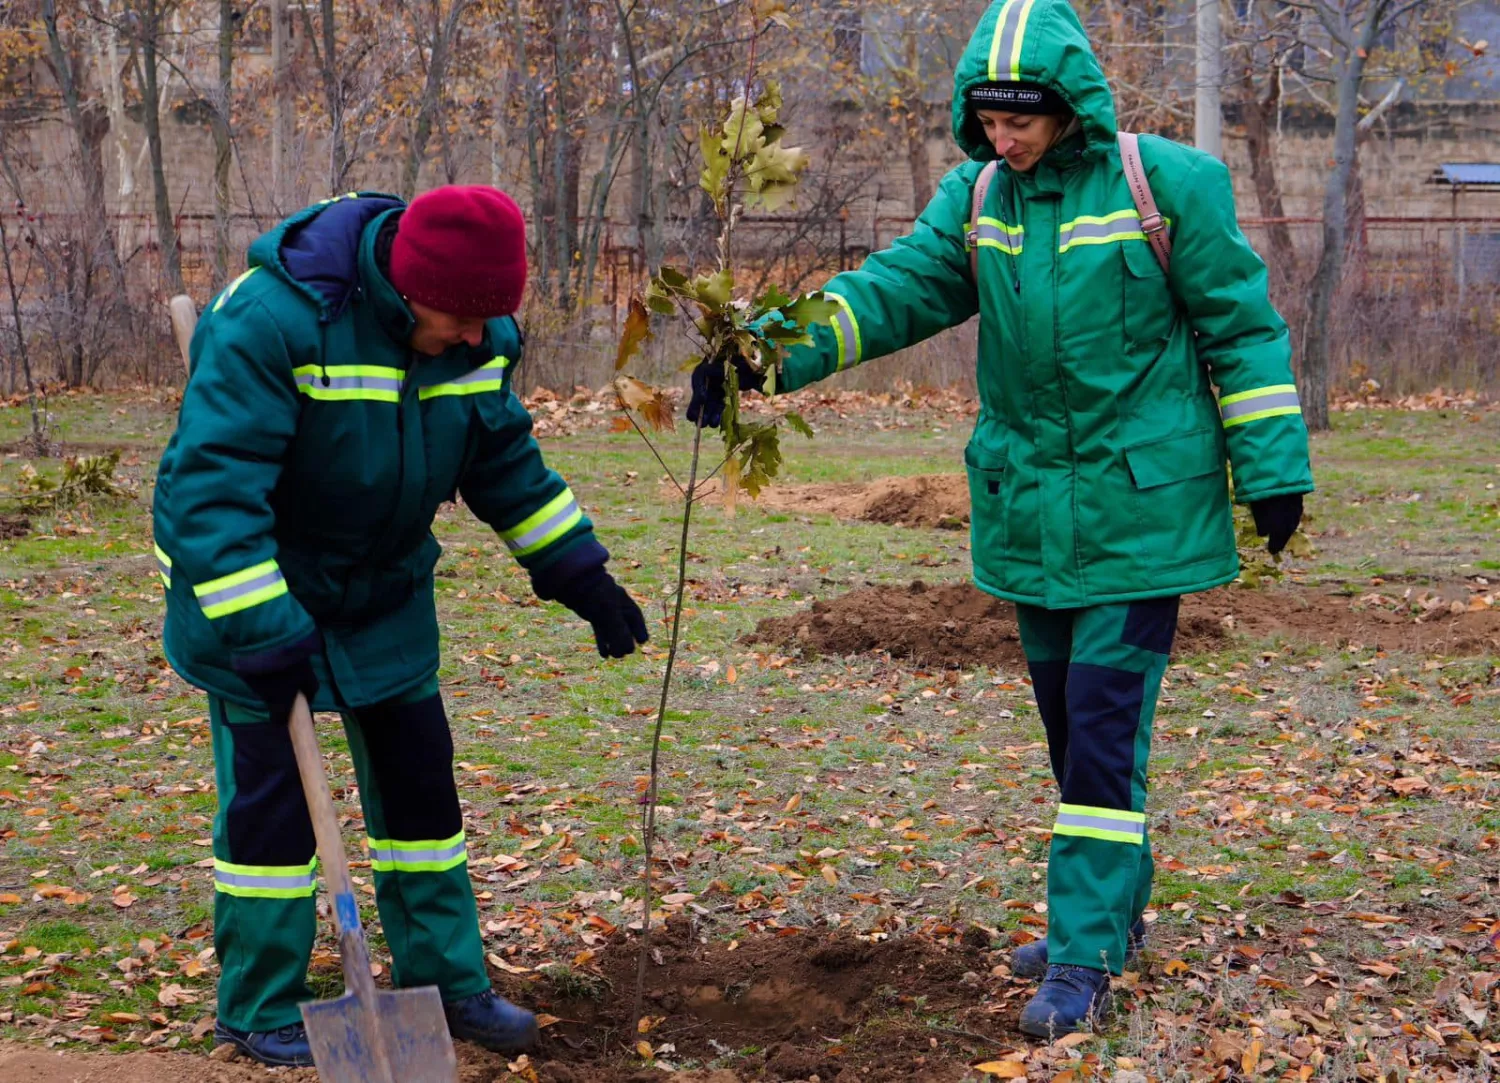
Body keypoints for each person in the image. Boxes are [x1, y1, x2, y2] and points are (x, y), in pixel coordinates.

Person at [689, 0, 1312, 1039]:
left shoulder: (1170, 188)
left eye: (1022, 118)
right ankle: (1110, 914)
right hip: (1025, 513)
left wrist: (1274, 471)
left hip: (1138, 515)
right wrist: (763, 349)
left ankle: (1083, 958)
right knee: (1072, 734)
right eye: (987, 118)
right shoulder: (978, 199)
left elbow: (1243, 333)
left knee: (1105, 742)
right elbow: (891, 291)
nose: (1003, 137)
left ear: (1069, 107)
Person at [153, 185, 648, 1066]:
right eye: (460, 316)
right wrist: (264, 627)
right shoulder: (273, 323)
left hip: (382, 592)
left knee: (422, 793)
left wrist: (577, 568)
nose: (477, 336)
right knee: (272, 819)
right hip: (255, 587)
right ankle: (260, 1002)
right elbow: (209, 495)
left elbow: (503, 461)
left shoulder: (474, 332)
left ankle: (446, 982)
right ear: (404, 283)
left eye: (490, 318)